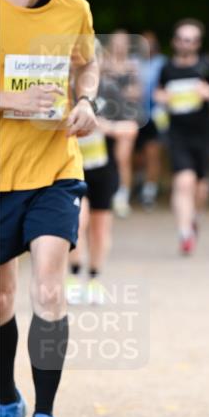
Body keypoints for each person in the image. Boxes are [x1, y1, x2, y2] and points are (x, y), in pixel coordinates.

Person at [0, 0, 98, 417]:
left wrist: (86, 99)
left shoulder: (73, 8)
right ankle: (6, 400)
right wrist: (8, 99)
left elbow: (88, 62)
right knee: (2, 299)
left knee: (49, 290)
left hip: (55, 171)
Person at [67, 44, 139, 304]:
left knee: (99, 228)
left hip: (102, 169)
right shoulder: (61, 90)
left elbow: (131, 128)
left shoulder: (109, 91)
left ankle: (95, 278)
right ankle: (73, 275)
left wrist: (105, 127)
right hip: (70, 169)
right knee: (77, 221)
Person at [154, 19, 209, 254]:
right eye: (181, 39)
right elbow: (158, 92)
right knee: (183, 181)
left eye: (191, 40)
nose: (185, 43)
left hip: (205, 134)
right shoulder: (167, 68)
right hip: (178, 134)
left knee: (201, 189)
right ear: (174, 41)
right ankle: (184, 233)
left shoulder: (208, 67)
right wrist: (162, 98)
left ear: (197, 43)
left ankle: (194, 218)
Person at [101, 30, 143, 218]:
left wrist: (115, 91)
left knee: (123, 158)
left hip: (125, 116)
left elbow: (136, 92)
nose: (119, 46)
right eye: (116, 42)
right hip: (105, 116)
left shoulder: (132, 66)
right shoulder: (103, 64)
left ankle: (122, 196)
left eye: (123, 43)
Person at [134, 29, 166, 209]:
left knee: (153, 153)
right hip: (136, 116)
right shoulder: (133, 63)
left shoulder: (162, 63)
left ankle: (149, 190)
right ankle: (139, 181)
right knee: (137, 156)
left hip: (155, 115)